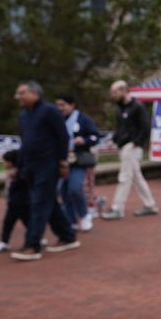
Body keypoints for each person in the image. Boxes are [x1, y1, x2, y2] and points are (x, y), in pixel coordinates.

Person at [12, 81, 79, 260]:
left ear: (35, 94)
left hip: (48, 165)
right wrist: (19, 166)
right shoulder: (24, 115)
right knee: (49, 202)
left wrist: (63, 162)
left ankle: (32, 245)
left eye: (22, 93)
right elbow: (25, 142)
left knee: (39, 204)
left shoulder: (49, 111)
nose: (18, 97)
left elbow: (62, 136)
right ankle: (67, 236)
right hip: (30, 166)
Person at [102, 80, 158, 219]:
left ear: (124, 90)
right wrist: (114, 140)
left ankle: (117, 208)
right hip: (124, 146)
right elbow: (120, 128)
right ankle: (150, 205)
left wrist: (136, 143)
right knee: (137, 178)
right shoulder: (120, 108)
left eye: (115, 92)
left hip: (131, 146)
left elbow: (145, 127)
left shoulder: (137, 107)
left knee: (125, 177)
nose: (113, 95)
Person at [55, 94, 99, 232]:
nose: (60, 108)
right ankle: (71, 220)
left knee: (74, 187)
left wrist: (84, 140)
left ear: (72, 105)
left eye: (63, 105)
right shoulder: (56, 119)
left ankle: (84, 215)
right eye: (58, 105)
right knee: (63, 190)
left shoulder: (83, 119)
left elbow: (95, 136)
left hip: (78, 159)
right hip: (61, 159)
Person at [0, 150, 31, 253]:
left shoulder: (20, 172)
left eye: (5, 161)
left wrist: (16, 176)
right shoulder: (10, 172)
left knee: (28, 223)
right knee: (8, 223)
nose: (4, 163)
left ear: (11, 162)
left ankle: (36, 239)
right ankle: (4, 241)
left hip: (22, 203)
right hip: (13, 204)